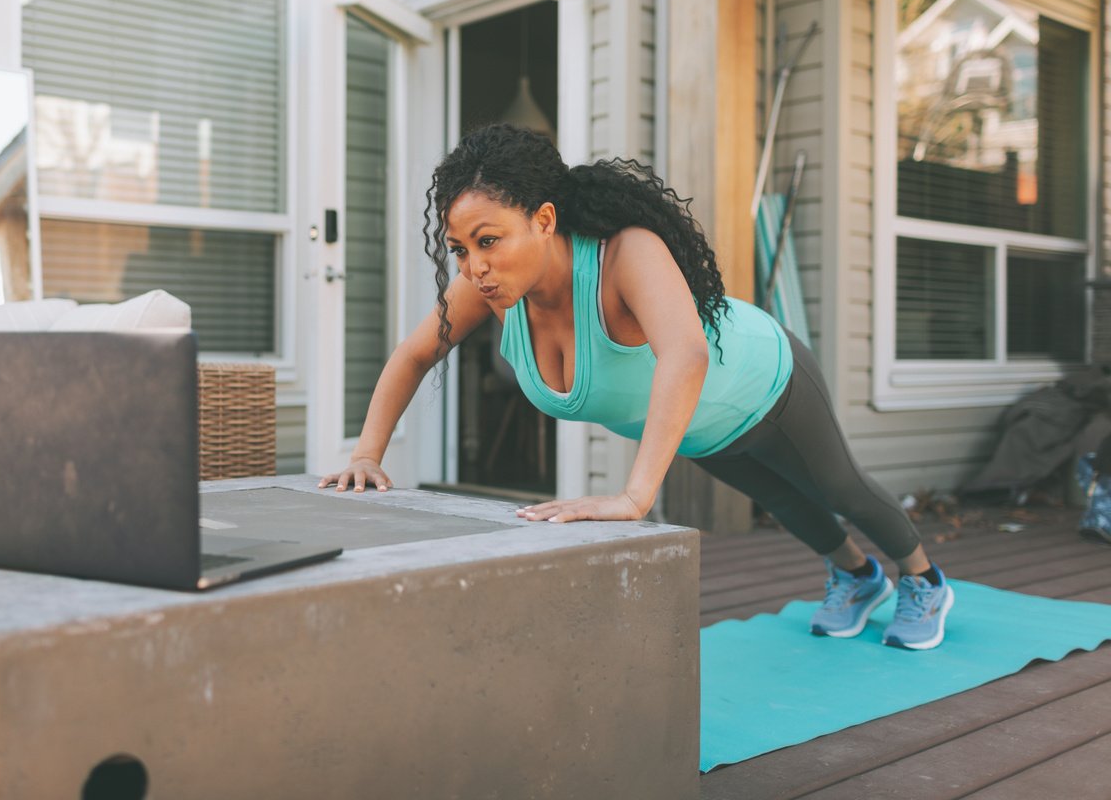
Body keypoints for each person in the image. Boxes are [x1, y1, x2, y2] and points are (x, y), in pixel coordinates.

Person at [319, 123, 954, 650]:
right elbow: (412, 354)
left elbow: (685, 354)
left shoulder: (625, 253)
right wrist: (367, 455)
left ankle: (924, 581)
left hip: (768, 382)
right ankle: (858, 576)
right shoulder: (490, 289)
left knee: (839, 487)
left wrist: (634, 495)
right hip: (704, 424)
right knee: (785, 503)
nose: (474, 265)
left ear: (544, 220)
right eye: (459, 249)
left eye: (488, 241)